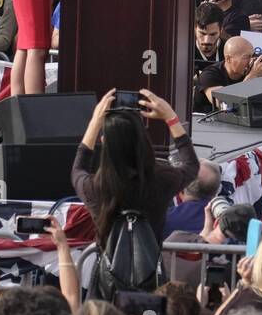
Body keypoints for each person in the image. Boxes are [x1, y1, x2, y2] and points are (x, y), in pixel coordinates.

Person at [72, 88, 197, 252]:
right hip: (150, 271)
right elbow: (191, 165)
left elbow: (78, 169)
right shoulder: (162, 180)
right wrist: (171, 118)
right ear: (144, 141)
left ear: (104, 142)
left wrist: (95, 122)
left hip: (108, 273)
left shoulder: (94, 188)